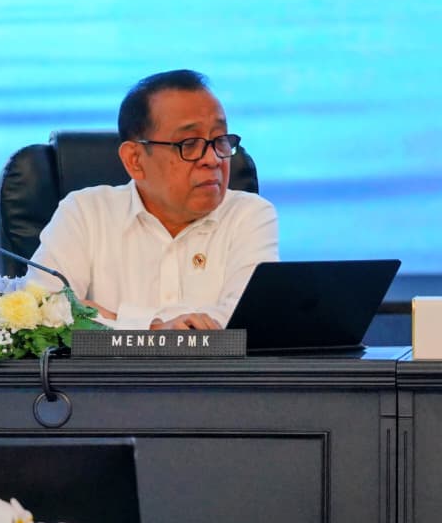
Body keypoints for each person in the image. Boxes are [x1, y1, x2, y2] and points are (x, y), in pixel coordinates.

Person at [29, 70, 278, 330]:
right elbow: (41, 311)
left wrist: (118, 320)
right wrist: (156, 328)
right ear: (135, 160)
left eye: (220, 139)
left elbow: (247, 323)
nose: (212, 159)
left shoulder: (249, 215)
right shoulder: (84, 213)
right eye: (189, 143)